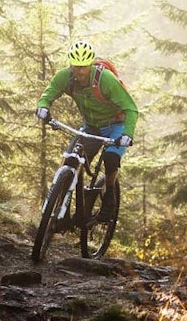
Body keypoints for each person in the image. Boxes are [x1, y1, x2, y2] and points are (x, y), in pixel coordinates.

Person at [35, 39, 138, 220]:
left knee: (111, 158)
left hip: (116, 126)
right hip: (92, 127)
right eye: (77, 66)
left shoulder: (105, 79)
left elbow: (131, 109)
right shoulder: (65, 77)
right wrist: (43, 106)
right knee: (71, 161)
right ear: (71, 65)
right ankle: (61, 211)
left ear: (91, 64)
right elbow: (50, 92)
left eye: (84, 66)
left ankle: (109, 195)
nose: (81, 71)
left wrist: (127, 134)